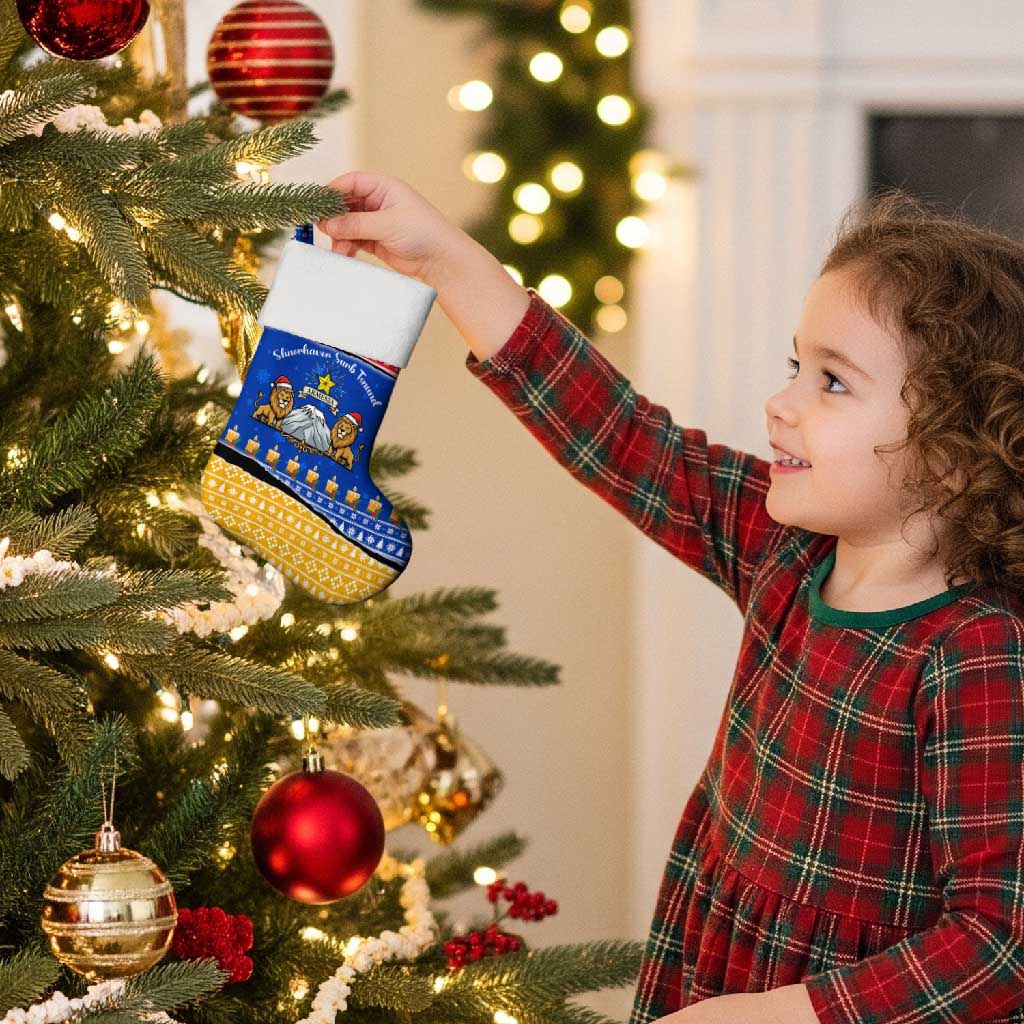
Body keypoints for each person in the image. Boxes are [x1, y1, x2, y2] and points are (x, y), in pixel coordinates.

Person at [317, 174, 1024, 1024]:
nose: (782, 403)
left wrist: (779, 1016)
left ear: (957, 454)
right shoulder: (786, 552)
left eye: (832, 383)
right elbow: (622, 436)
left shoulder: (978, 652)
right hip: (714, 964)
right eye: (797, 367)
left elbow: (998, 941)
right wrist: (450, 261)